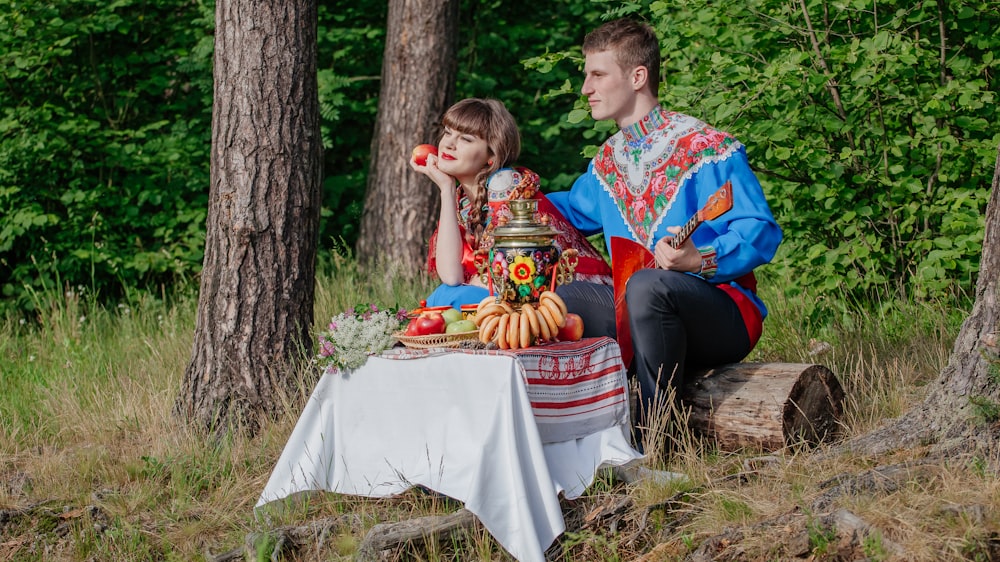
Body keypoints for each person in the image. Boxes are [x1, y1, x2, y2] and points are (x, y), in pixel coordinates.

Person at [547, 19, 783, 449]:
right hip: (640, 317)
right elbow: (565, 213)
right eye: (587, 75)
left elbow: (760, 230)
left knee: (646, 285)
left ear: (637, 77)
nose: (586, 88)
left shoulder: (705, 147)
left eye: (597, 74)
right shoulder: (607, 164)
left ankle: (657, 441)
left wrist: (702, 258)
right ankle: (578, 432)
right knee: (563, 300)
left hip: (723, 315)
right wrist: (505, 190)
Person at [411, 98, 611, 309]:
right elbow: (451, 276)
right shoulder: (462, 199)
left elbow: (509, 276)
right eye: (448, 132)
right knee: (442, 298)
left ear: (491, 155)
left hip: (576, 296)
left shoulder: (505, 184)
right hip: (522, 295)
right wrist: (446, 190)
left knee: (450, 300)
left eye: (466, 139)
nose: (449, 144)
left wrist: (470, 284)